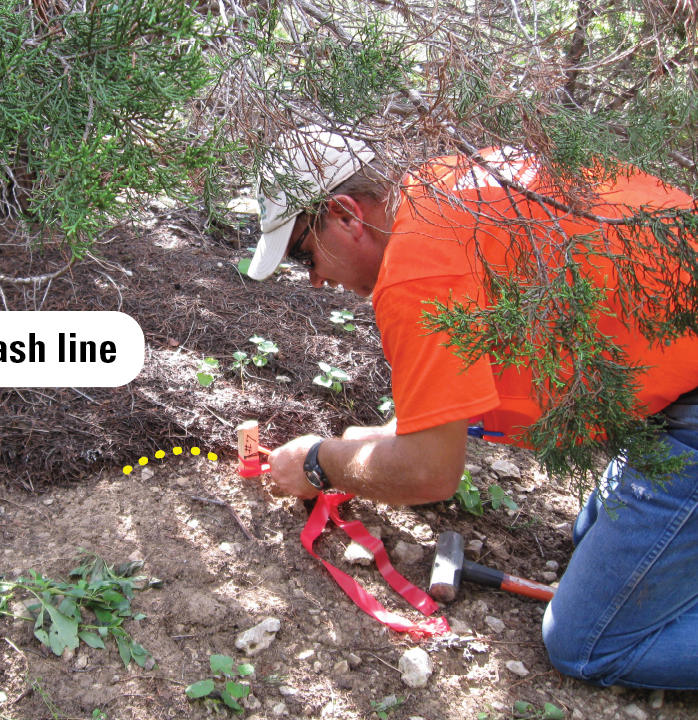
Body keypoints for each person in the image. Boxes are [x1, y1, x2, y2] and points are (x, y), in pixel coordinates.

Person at [247, 127, 698, 689]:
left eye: (303, 254)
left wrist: (319, 462)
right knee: (589, 541)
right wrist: (393, 435)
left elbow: (431, 472)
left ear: (345, 215)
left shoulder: (416, 273)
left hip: (688, 403)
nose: (314, 280)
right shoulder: (442, 187)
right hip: (674, 374)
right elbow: (489, 375)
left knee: (586, 642)